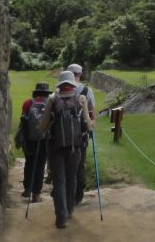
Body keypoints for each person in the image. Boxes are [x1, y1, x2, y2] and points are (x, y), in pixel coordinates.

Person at [37, 71, 94, 228]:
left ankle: (61, 217)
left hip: (55, 147)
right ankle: (69, 210)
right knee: (72, 179)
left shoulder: (52, 99)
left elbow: (42, 126)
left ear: (60, 84)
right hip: (75, 147)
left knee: (59, 181)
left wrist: (42, 128)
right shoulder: (80, 99)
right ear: (73, 84)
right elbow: (88, 125)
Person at [16, 82, 52, 200]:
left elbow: (23, 121)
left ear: (35, 91)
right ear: (47, 92)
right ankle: (36, 193)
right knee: (40, 166)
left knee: (29, 163)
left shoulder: (28, 103)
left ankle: (27, 189)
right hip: (44, 139)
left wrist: (20, 138)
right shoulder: (50, 103)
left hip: (30, 138)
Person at [66, 64, 95, 206]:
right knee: (79, 165)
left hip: (62, 136)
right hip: (81, 137)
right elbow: (92, 115)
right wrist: (90, 128)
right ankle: (77, 196)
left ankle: (65, 195)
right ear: (80, 74)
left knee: (64, 165)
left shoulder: (59, 90)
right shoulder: (87, 91)